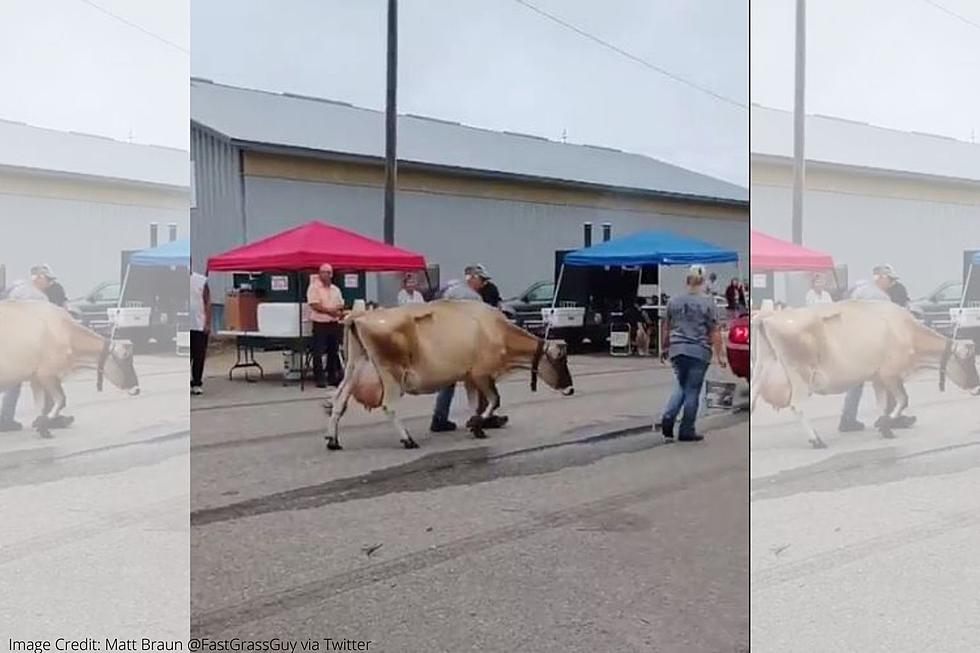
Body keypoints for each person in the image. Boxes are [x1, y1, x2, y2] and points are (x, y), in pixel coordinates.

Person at [659, 264, 727, 442]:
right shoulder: (708, 302)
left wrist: (664, 347)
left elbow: (666, 326)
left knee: (682, 385)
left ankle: (668, 416)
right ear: (703, 281)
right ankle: (686, 429)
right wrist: (720, 355)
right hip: (699, 351)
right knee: (692, 391)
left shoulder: (674, 301)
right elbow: (714, 330)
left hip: (677, 350)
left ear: (687, 280)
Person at [838, 264, 900, 432]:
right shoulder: (881, 297)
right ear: (880, 277)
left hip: (851, 339)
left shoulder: (858, 288)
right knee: (885, 380)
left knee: (856, 382)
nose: (892, 284)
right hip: (871, 345)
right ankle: (890, 416)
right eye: (891, 279)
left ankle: (848, 418)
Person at [1, 265, 59, 432]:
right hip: (24, 345)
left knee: (10, 379)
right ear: (38, 278)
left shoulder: (16, 287)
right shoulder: (38, 297)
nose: (50, 283)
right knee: (45, 378)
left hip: (6, 340)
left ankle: (6, 417)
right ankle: (48, 416)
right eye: (48, 279)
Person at [431, 268, 487, 433]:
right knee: (477, 381)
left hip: (446, 340)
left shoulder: (450, 291)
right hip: (464, 344)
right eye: (482, 280)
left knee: (448, 382)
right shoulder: (474, 297)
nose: (484, 284)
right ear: (472, 278)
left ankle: (439, 418)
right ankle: (480, 416)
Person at [307, 263, 347, 388]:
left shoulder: (335, 289)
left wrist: (337, 309)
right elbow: (314, 305)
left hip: (333, 323)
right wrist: (330, 311)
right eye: (324, 272)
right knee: (318, 352)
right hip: (320, 323)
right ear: (319, 274)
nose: (327, 275)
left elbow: (341, 303)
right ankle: (319, 378)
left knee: (333, 351)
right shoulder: (314, 288)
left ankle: (332, 376)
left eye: (329, 272)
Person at [189, 264, 212, 396]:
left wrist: (207, 323)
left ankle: (197, 382)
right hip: (184, 325)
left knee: (199, 355)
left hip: (199, 324)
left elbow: (208, 301)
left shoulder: (200, 280)